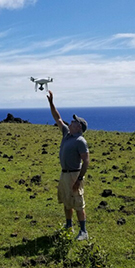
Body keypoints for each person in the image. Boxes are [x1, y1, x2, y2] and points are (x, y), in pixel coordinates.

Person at [47, 90, 90, 241]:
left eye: (74, 122)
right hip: (64, 174)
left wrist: (79, 179)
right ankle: (69, 226)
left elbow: (86, 161)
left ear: (79, 127)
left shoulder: (80, 141)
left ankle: (83, 232)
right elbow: (57, 117)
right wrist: (51, 103)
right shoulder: (67, 133)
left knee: (78, 202)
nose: (70, 122)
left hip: (74, 174)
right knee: (67, 201)